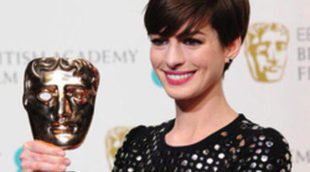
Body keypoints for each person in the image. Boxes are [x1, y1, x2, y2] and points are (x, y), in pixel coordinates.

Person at [20, 0, 292, 171]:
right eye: (160, 41)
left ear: (231, 45)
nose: (172, 59)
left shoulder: (258, 147)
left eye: (191, 41)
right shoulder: (137, 145)